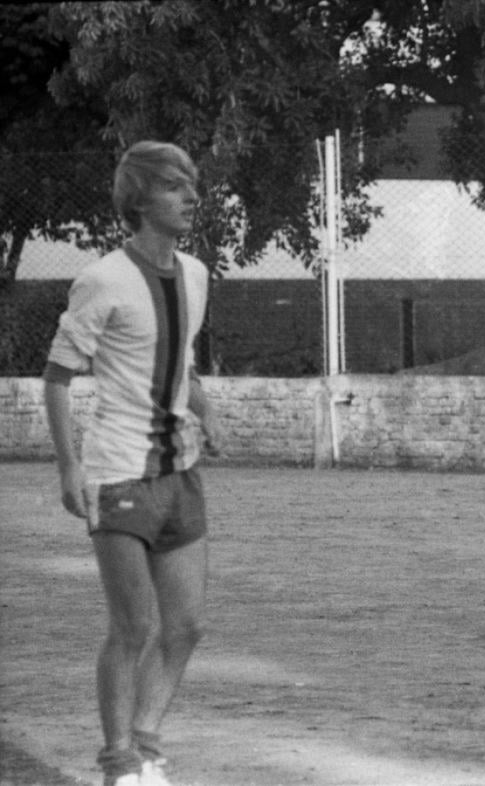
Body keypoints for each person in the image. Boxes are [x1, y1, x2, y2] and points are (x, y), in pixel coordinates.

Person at [43, 141, 220, 786]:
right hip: (118, 471)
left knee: (189, 624)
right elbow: (58, 377)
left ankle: (146, 744)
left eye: (192, 185)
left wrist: (204, 407)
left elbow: (179, 357)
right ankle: (117, 760)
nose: (191, 198)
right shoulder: (102, 278)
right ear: (140, 201)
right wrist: (68, 470)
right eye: (176, 187)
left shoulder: (197, 274)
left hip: (181, 472)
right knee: (133, 624)